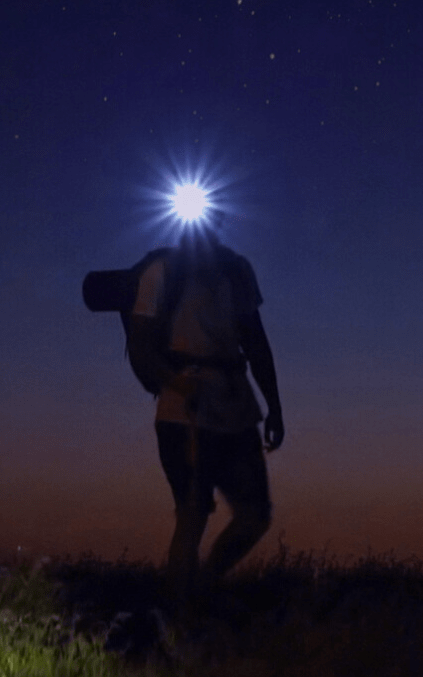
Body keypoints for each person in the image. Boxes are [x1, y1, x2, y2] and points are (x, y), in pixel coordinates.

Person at [126, 222, 284, 611]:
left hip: (234, 405)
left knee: (255, 515)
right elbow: (141, 344)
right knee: (192, 514)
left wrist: (274, 406)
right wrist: (174, 383)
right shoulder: (162, 272)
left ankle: (203, 589)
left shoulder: (237, 270)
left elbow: (256, 341)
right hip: (184, 411)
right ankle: (181, 612)